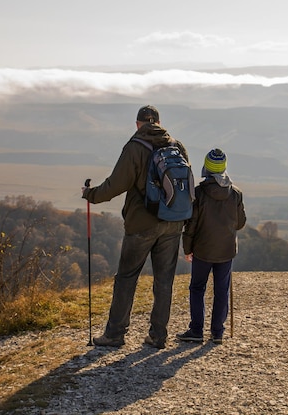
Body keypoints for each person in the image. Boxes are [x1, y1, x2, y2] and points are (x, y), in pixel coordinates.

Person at [82, 105, 190, 349]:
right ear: (159, 122)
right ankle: (158, 335)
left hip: (141, 225)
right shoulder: (176, 145)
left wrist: (90, 195)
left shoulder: (135, 147)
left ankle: (115, 334)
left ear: (138, 124)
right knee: (164, 280)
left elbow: (115, 185)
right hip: (173, 223)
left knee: (127, 278)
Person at [177, 148, 246, 345]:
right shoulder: (236, 194)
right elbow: (240, 223)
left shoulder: (199, 193)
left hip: (202, 250)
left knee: (197, 288)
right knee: (221, 290)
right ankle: (217, 333)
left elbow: (191, 225)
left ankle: (196, 331)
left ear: (206, 168)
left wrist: (187, 248)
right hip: (226, 251)